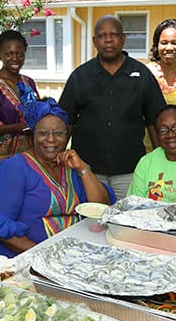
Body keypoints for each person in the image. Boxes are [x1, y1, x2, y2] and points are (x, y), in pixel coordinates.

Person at [0, 98, 115, 261]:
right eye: (43, 133)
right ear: (32, 135)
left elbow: (101, 208)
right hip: (25, 259)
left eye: (58, 133)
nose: (51, 139)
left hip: (72, 256)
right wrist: (47, 256)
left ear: (67, 135)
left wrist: (83, 169)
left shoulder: (69, 167)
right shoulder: (13, 169)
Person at [59, 15, 166, 199]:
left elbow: (155, 122)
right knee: (90, 222)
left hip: (130, 170)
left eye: (114, 34)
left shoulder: (141, 74)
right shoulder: (80, 76)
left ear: (123, 38)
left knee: (125, 223)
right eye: (102, 35)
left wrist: (160, 163)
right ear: (94, 41)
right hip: (87, 170)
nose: (108, 40)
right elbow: (64, 122)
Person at [0, 29, 40, 171]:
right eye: (9, 54)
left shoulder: (29, 82)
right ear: (0, 56)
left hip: (33, 158)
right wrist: (17, 127)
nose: (15, 58)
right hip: (5, 160)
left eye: (19, 54)